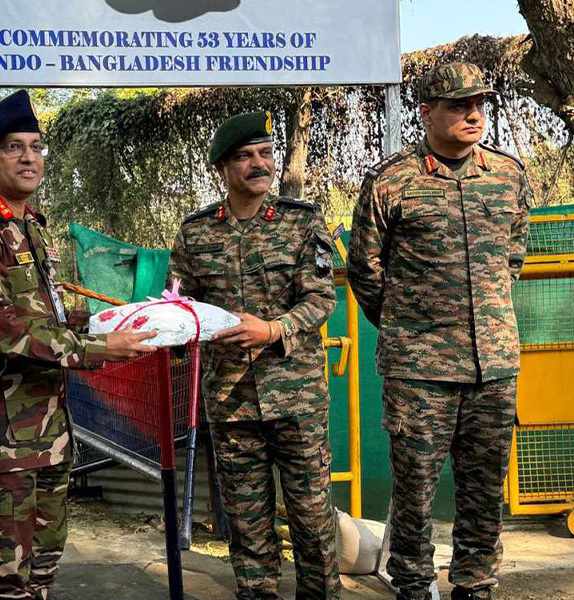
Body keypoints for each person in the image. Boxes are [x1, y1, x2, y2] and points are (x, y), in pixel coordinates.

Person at [0, 89, 157, 600]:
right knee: (7, 579)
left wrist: (110, 319)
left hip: (48, 431)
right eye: (14, 147)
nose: (30, 157)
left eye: (35, 146)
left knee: (44, 570)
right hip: (0, 439)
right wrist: (98, 349)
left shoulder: (29, 225)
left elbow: (43, 313)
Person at [347, 62, 531, 600]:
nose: (474, 113)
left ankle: (475, 583)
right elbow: (365, 269)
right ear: (426, 111)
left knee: (483, 486)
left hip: (494, 365)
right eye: (458, 104)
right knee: (416, 489)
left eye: (480, 103)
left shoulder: (508, 175)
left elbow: (512, 258)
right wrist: (411, 327)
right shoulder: (392, 180)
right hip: (418, 368)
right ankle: (412, 582)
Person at [168, 111, 342, 600]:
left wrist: (273, 328)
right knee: (247, 525)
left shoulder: (301, 222)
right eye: (245, 156)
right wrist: (174, 330)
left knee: (312, 518)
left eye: (265, 153)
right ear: (222, 168)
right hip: (230, 401)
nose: (259, 163)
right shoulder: (195, 233)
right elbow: (180, 306)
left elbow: (321, 298)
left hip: (298, 398)